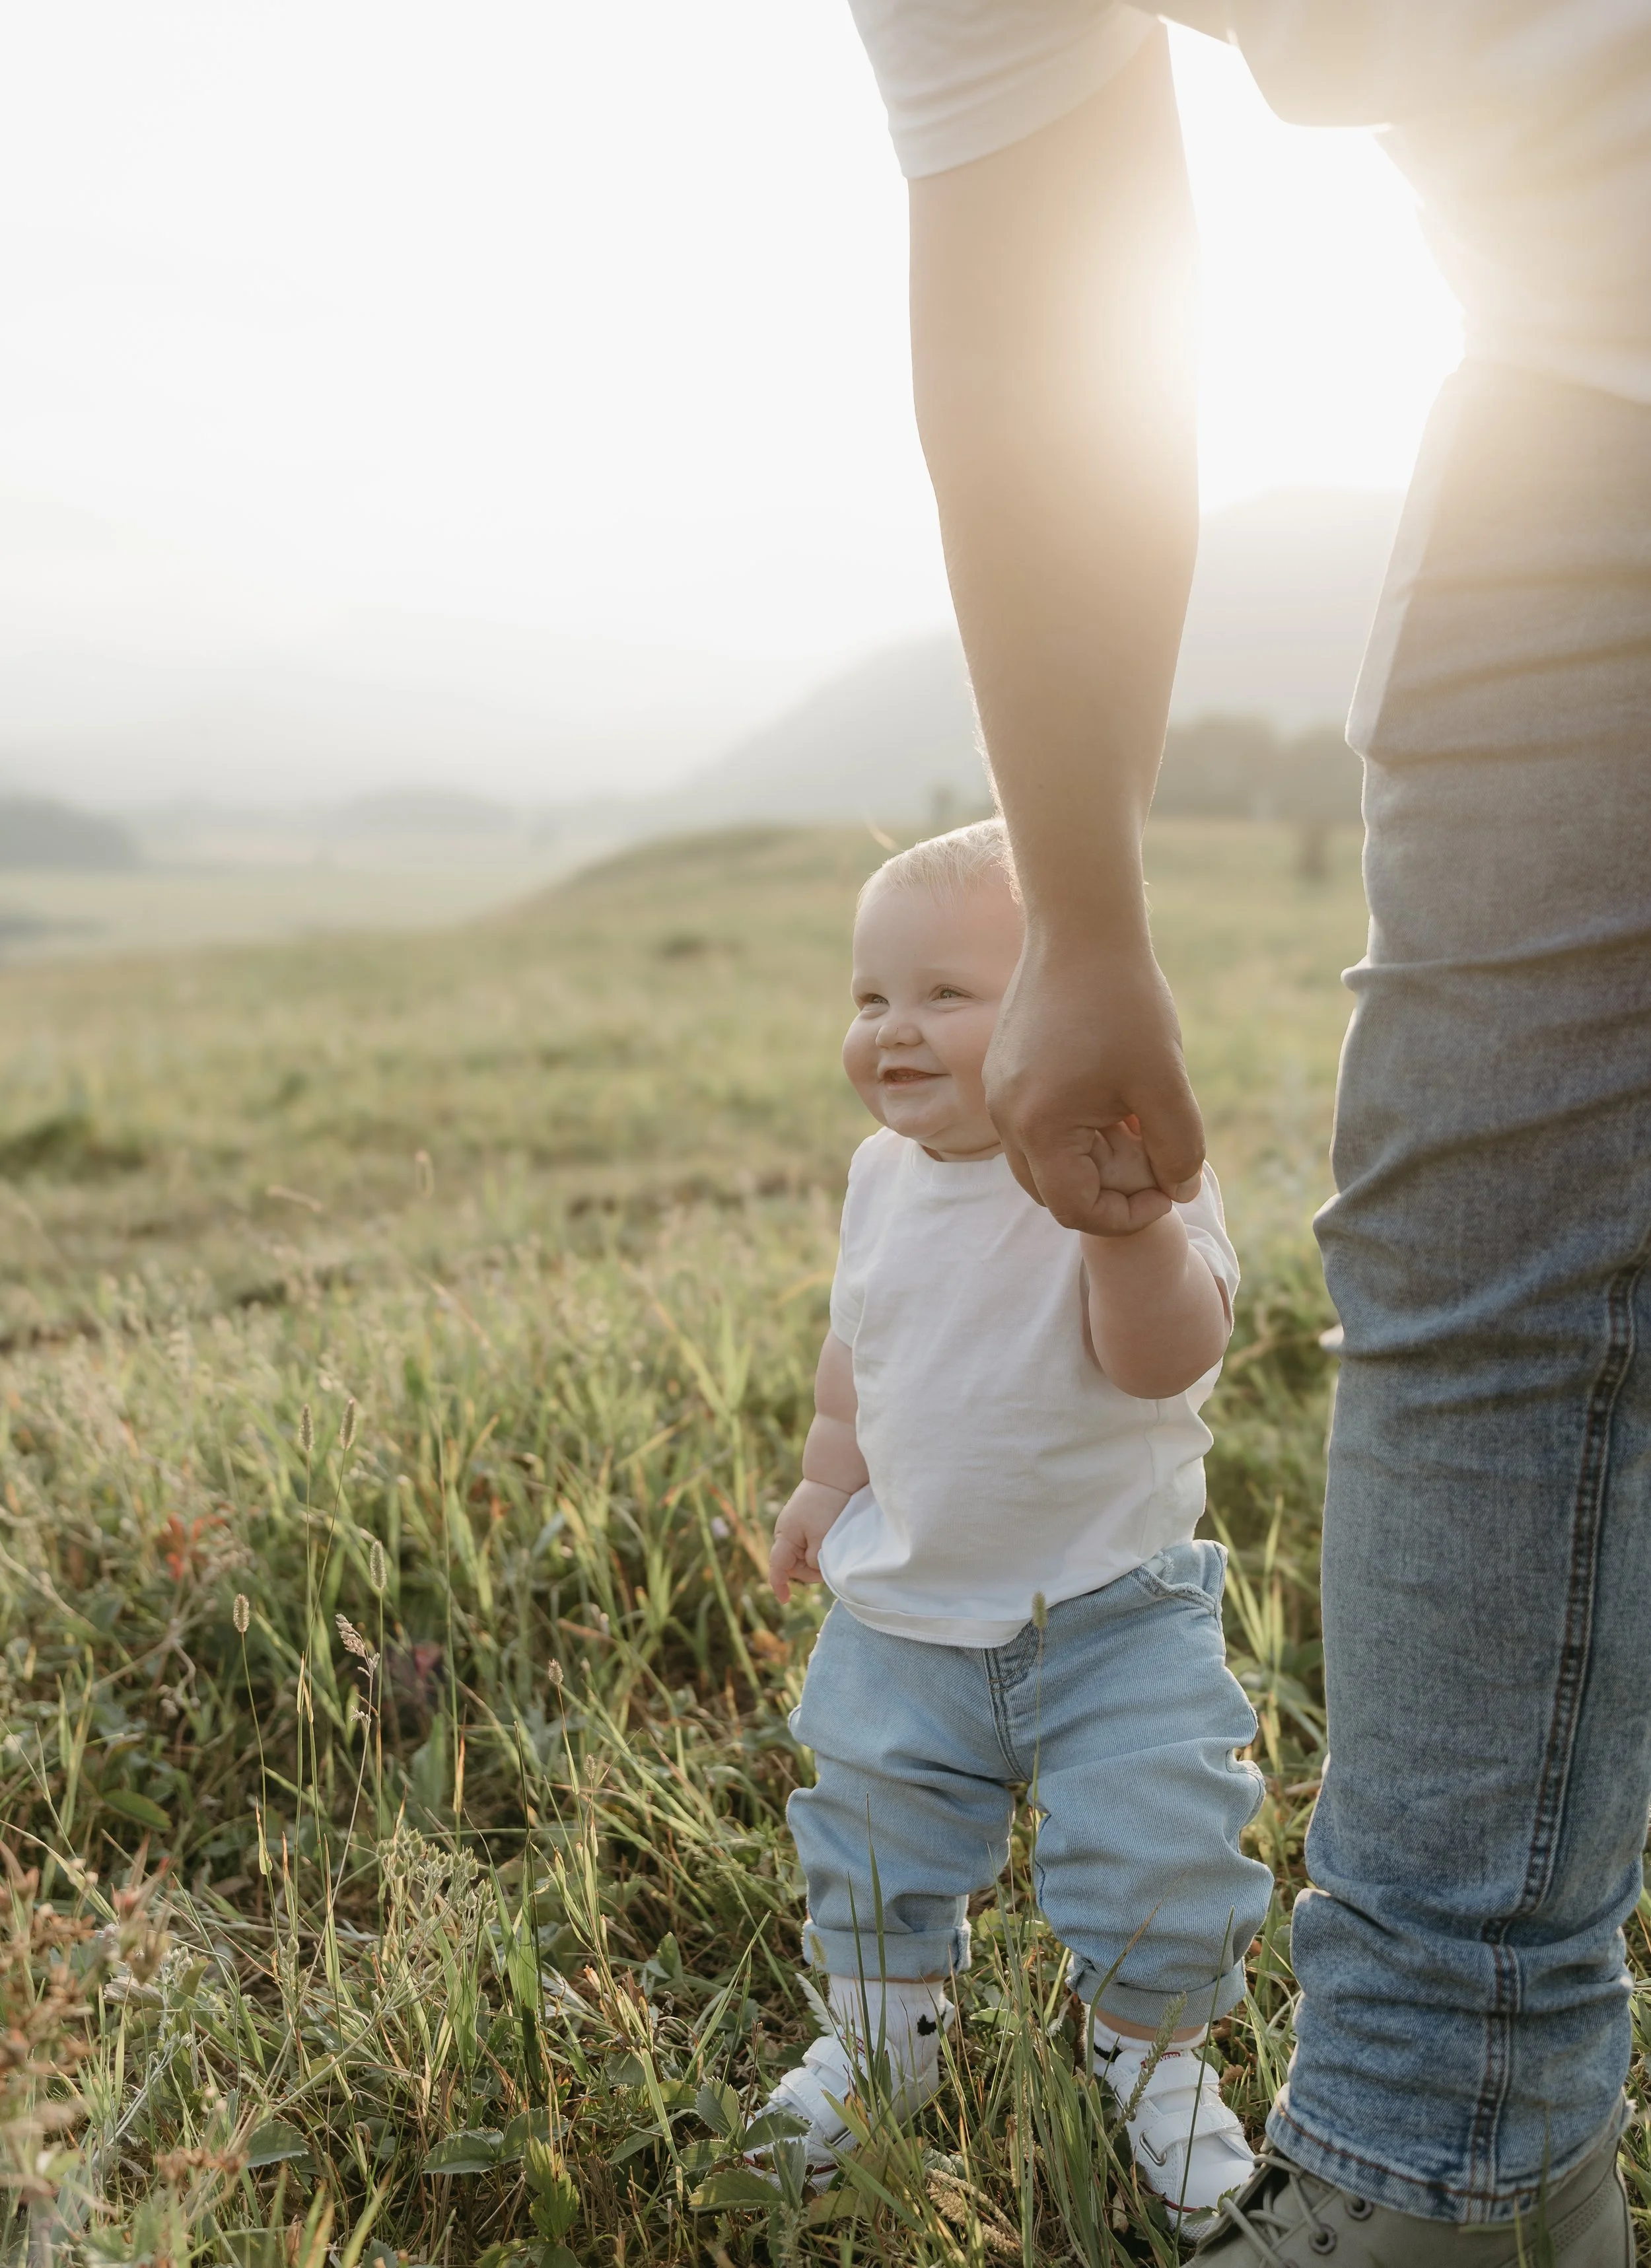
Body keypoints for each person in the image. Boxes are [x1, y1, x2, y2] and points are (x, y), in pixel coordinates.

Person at [832, 3, 1651, 2259]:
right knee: (1469, 1261)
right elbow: (1043, 241)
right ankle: (1445, 2173)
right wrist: (1080, 918)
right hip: (1564, 392)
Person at [759, 818, 1273, 2227]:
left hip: (1112, 1612)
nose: (893, 1031)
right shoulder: (880, 1178)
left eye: (945, 993)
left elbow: (1167, 1355)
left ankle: (1153, 2063)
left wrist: (1123, 1224)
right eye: (871, 998)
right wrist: (823, 1480)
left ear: (1061, 1007)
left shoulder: (1121, 1168)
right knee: (866, 1828)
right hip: (903, 1611)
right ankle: (883, 2039)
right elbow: (854, 1352)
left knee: (1159, 1841)